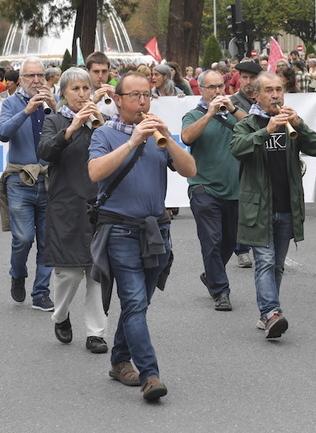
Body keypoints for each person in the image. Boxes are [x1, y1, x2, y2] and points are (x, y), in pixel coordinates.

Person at [88, 71, 196, 401]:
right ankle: (150, 374)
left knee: (141, 302)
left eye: (147, 95)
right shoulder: (104, 134)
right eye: (135, 96)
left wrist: (167, 137)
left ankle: (120, 359)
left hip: (156, 228)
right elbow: (95, 172)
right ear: (118, 100)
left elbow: (190, 170)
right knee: (133, 301)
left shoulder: (157, 135)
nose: (142, 102)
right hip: (119, 229)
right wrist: (133, 140)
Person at [230, 72, 316, 339]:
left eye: (279, 90)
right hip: (258, 207)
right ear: (257, 96)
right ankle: (273, 312)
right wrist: (266, 131)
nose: (275, 95)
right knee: (265, 261)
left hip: (286, 206)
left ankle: (267, 314)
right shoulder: (247, 125)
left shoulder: (291, 123)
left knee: (278, 265)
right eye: (269, 91)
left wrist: (300, 125)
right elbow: (237, 148)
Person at [38, 68, 108, 353]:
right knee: (68, 274)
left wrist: (101, 125)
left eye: (85, 89)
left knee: (97, 272)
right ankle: (61, 314)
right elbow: (45, 152)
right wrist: (71, 129)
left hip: (99, 205)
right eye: (75, 89)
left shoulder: (100, 123)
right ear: (63, 93)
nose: (82, 94)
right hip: (66, 204)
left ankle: (96, 333)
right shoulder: (54, 121)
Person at [181, 69, 247, 312]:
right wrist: (209, 114)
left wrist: (231, 109)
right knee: (211, 241)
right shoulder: (193, 115)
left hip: (234, 190)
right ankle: (221, 290)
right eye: (212, 87)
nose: (218, 91)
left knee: (229, 241)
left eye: (221, 86)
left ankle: (211, 275)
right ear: (201, 89)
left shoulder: (233, 112)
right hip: (203, 188)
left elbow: (254, 127)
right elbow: (186, 137)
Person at [0, 58, 57, 311]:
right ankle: (17, 273)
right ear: (20, 80)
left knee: (48, 240)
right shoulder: (11, 103)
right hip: (20, 180)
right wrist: (27, 111)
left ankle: (41, 292)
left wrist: (56, 109)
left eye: (40, 75)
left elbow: (69, 134)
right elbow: (2, 133)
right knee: (23, 237)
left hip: (50, 180)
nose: (36, 80)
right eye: (30, 76)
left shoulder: (53, 102)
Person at [227, 60, 262, 269]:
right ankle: (241, 249)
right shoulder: (232, 101)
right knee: (241, 206)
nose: (248, 82)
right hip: (239, 159)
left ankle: (259, 245)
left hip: (261, 158)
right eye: (245, 78)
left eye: (252, 78)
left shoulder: (263, 99)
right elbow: (246, 124)